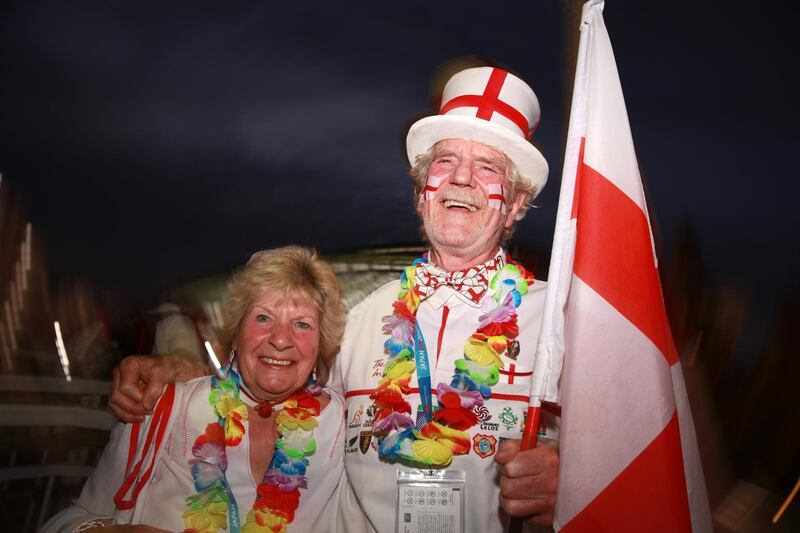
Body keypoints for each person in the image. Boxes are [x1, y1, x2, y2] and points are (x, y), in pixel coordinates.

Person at [109, 65, 559, 532]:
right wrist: (181, 372)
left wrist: (572, 484)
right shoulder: (360, 319)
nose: (460, 178)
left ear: (514, 204)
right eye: (445, 161)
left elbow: (628, 460)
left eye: (487, 166)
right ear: (422, 193)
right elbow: (275, 386)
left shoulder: (561, 323)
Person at [43, 246, 347, 532]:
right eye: (263, 317)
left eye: (302, 324)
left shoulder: (342, 428)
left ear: (321, 342)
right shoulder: (165, 406)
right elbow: (65, 520)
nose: (280, 340)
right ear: (237, 330)